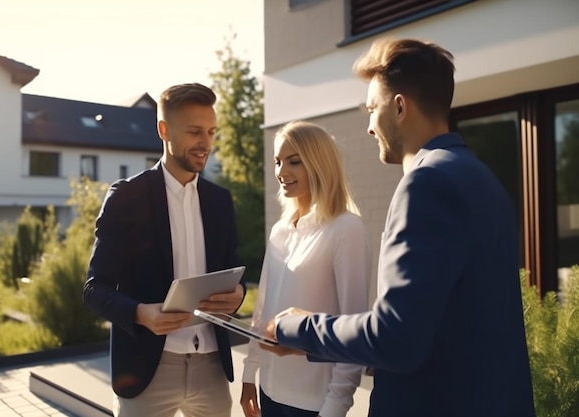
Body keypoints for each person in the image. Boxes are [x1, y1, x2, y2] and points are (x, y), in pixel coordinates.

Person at [263, 38, 536, 417]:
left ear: (400, 106)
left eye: (372, 109)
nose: (371, 127)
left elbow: (395, 337)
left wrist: (299, 328)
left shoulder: (425, 185)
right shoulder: (484, 179)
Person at [82, 82, 246, 417]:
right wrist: (142, 313)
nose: (206, 143)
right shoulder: (127, 198)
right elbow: (94, 290)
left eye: (212, 132)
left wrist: (239, 294)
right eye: (195, 132)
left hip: (213, 369)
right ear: (163, 130)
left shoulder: (220, 201)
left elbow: (234, 270)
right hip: (148, 370)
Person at [240, 121, 370, 417]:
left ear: (319, 163)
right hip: (268, 393)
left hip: (314, 405)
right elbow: (263, 309)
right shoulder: (279, 231)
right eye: (278, 162)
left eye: (294, 161)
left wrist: (335, 408)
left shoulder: (346, 229)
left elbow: (352, 329)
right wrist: (250, 374)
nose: (282, 172)